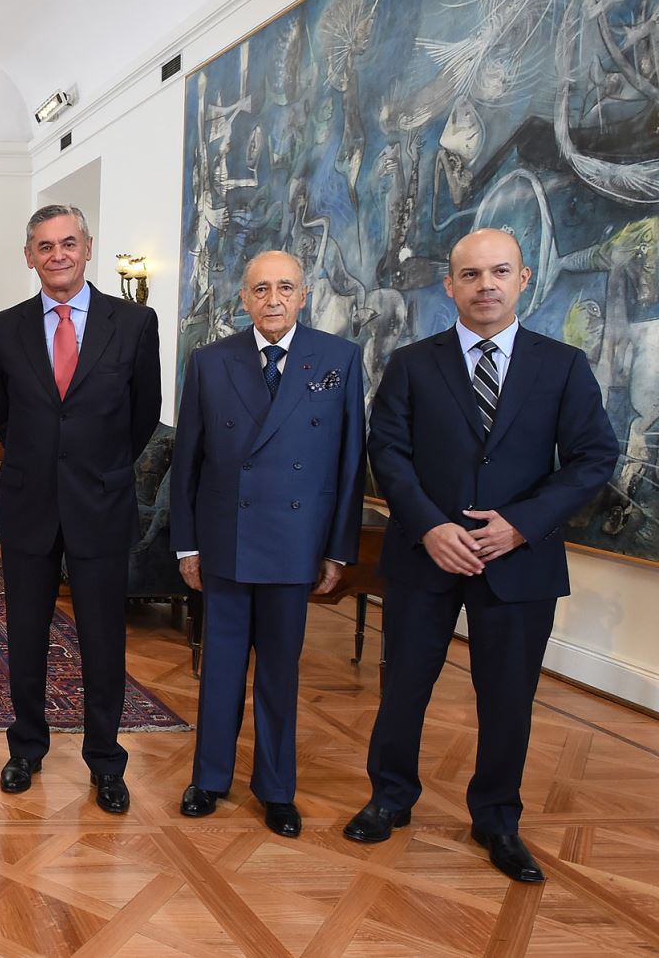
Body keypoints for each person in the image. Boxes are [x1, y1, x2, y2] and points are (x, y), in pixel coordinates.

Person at [344, 228, 616, 882]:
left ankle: (497, 817)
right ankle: (390, 798)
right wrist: (431, 526)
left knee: (508, 699)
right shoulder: (412, 363)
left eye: (499, 272)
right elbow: (389, 452)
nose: (485, 285)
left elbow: (593, 458)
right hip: (424, 556)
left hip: (520, 562)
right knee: (404, 686)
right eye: (471, 274)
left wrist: (521, 526)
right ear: (451, 286)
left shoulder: (563, 366)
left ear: (524, 280)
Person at [171, 250, 366, 837]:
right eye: (260, 289)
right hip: (226, 540)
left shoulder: (339, 359)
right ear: (244, 299)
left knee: (281, 672)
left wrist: (338, 549)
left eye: (285, 288)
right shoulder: (209, 361)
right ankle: (209, 779)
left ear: (303, 295)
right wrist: (186, 546)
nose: (273, 299)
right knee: (222, 670)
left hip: (296, 544)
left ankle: (277, 789)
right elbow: (188, 465)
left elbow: (350, 463)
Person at [0, 204, 160, 808]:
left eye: (67, 243)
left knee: (104, 640)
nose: (56, 254)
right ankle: (25, 748)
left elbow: (142, 416)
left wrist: (101, 468)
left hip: (102, 504)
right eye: (43, 245)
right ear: (28, 255)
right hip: (30, 504)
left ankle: (106, 761)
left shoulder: (134, 323)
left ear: (87, 246)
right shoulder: (5, 328)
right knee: (25, 635)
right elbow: (2, 415)